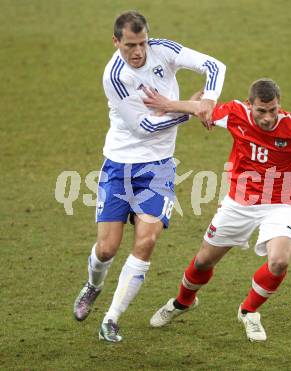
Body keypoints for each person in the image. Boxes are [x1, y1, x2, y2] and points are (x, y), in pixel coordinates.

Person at [142, 78, 291, 342]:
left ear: (279, 105)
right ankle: (182, 302)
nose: (268, 117)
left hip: (281, 204)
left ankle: (249, 311)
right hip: (239, 202)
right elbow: (200, 109)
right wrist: (183, 103)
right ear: (250, 105)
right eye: (261, 111)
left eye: (273, 110)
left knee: (279, 261)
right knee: (203, 261)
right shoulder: (234, 113)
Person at [72, 10, 226, 343]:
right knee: (107, 248)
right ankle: (93, 285)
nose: (138, 51)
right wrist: (187, 107)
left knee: (147, 240)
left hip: (157, 168)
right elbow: (144, 128)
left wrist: (208, 102)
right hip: (119, 165)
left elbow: (215, 66)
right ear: (116, 42)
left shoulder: (163, 50)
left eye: (142, 43)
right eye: (130, 45)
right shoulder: (114, 76)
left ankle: (112, 319)